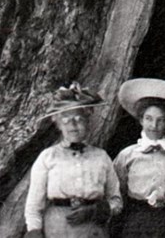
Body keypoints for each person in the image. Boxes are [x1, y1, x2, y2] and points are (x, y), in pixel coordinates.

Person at [24, 83, 123, 237]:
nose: (73, 125)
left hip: (92, 229)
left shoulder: (101, 157)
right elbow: (33, 205)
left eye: (79, 119)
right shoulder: (48, 156)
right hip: (56, 229)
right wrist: (34, 231)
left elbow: (116, 201)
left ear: (88, 122)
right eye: (66, 120)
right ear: (58, 124)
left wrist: (96, 211)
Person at [113, 78, 165, 237]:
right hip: (137, 221)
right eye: (149, 119)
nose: (154, 126)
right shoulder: (127, 155)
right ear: (141, 120)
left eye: (160, 120)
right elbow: (117, 192)